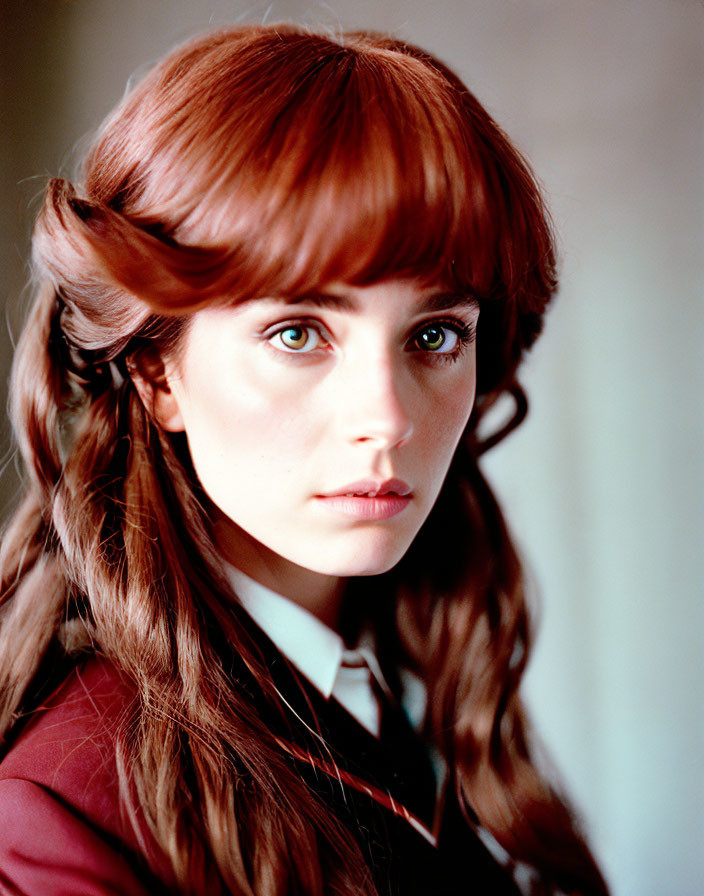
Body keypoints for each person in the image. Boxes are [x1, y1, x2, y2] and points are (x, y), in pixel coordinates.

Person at [0, 23, 609, 896]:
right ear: (154, 369)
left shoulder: (420, 690)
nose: (388, 418)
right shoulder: (64, 815)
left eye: (434, 335)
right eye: (298, 333)